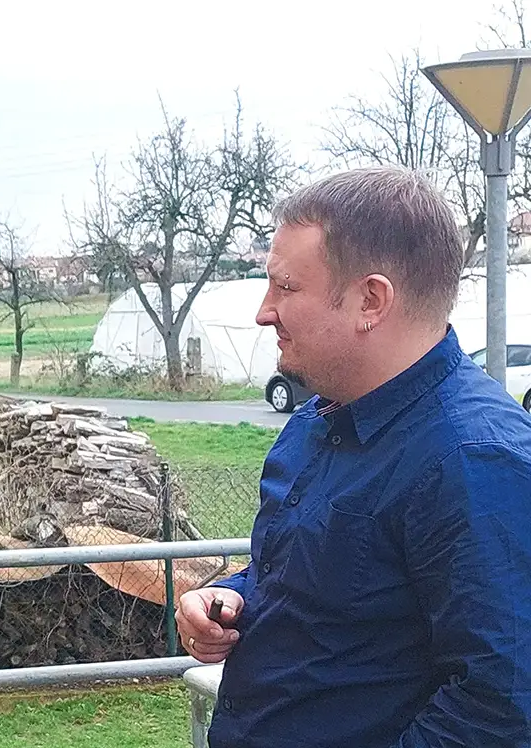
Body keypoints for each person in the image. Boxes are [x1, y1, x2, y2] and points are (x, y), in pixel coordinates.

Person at [176, 167, 531, 746]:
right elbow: (319, 583)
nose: (265, 311)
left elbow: (502, 710)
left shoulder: (476, 460)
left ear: (371, 299)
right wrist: (235, 597)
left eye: (286, 288)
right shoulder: (320, 417)